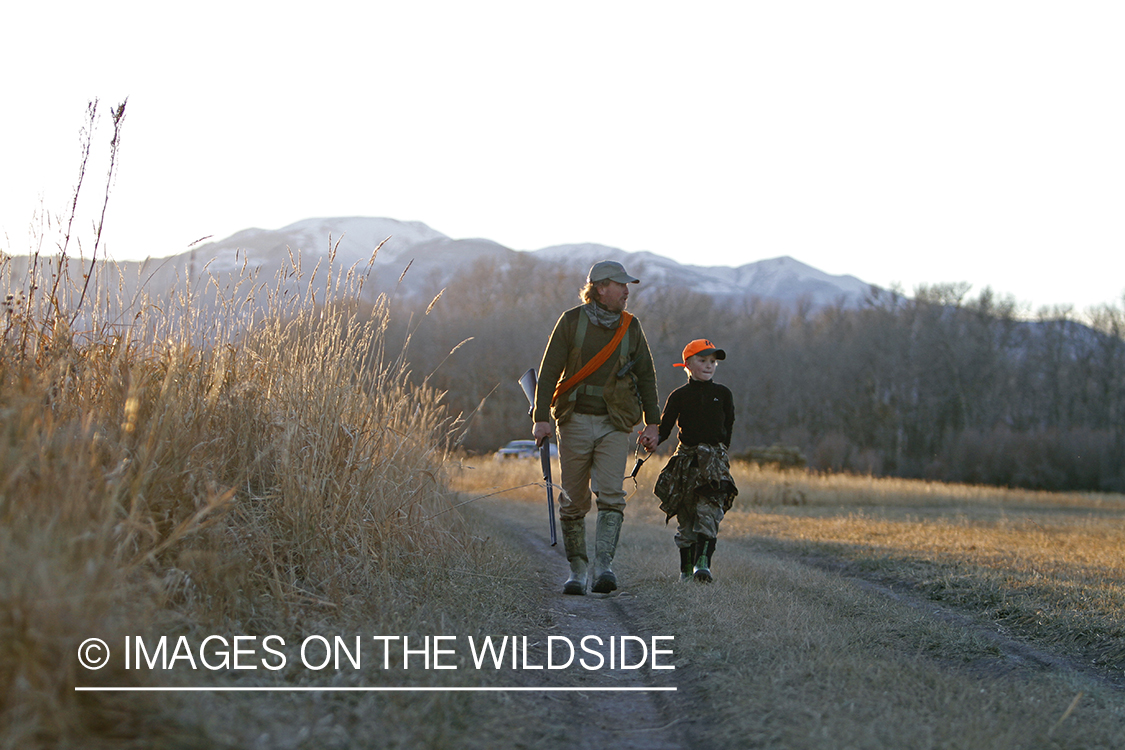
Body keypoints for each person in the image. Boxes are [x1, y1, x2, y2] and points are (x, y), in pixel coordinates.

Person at [532, 260, 661, 595]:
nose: (626, 291)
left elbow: (646, 375)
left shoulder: (631, 327)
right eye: (621, 285)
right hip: (573, 420)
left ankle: (604, 567)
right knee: (573, 500)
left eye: (627, 285)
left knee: (612, 496)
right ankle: (577, 569)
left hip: (614, 423)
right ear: (601, 287)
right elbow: (548, 373)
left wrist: (653, 422)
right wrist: (540, 418)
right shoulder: (570, 321)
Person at [653, 339, 738, 583]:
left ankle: (704, 566)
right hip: (686, 462)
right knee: (687, 516)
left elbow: (728, 427)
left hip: (714, 463)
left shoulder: (723, 394)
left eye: (713, 362)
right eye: (702, 361)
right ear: (688, 364)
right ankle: (685, 571)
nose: (709, 365)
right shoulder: (679, 396)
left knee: (710, 512)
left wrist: (719, 455)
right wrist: (652, 441)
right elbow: (664, 429)